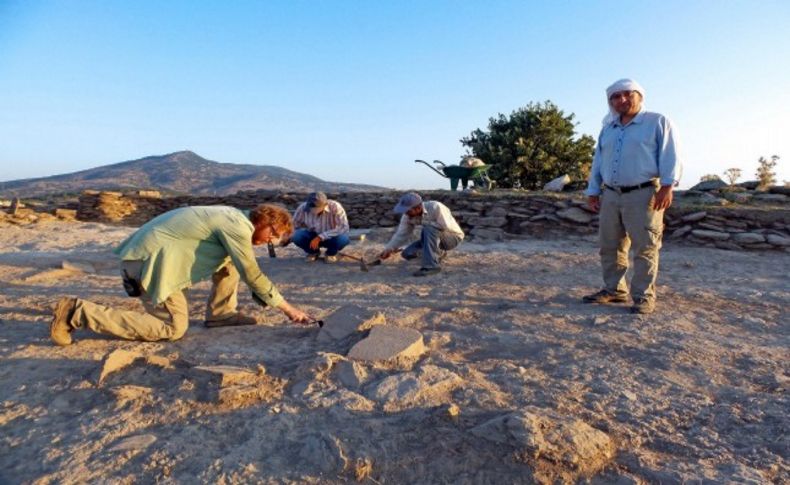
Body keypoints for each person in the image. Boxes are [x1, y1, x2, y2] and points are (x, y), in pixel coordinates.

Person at [49, 204, 314, 346]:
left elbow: (238, 265)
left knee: (230, 261)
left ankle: (221, 314)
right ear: (265, 224)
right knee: (173, 329)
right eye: (273, 236)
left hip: (149, 258)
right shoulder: (236, 226)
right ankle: (76, 312)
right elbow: (252, 274)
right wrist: (289, 309)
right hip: (148, 266)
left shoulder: (232, 217)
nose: (271, 242)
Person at [583, 78, 682, 314]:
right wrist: (593, 190)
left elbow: (671, 154)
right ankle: (614, 290)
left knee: (645, 247)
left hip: (644, 194)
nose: (622, 100)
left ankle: (643, 297)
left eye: (627, 94)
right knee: (610, 245)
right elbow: (599, 161)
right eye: (615, 97)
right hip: (610, 195)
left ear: (639, 95)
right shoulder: (608, 128)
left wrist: (668, 186)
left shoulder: (657, 122)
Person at [378, 192, 464, 277]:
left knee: (428, 229)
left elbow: (445, 227)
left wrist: (427, 223)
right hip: (433, 238)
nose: (406, 213)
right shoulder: (407, 216)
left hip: (452, 237)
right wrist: (389, 249)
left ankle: (432, 267)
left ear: (418, 208)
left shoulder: (436, 207)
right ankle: (439, 254)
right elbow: (401, 234)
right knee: (407, 253)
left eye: (408, 211)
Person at [289, 192, 350, 263]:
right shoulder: (303, 208)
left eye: (315, 207)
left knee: (343, 239)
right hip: (312, 237)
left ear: (324, 205)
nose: (312, 210)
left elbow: (343, 227)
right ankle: (313, 252)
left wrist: (320, 237)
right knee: (296, 236)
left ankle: (330, 254)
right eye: (310, 207)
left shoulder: (335, 207)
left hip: (332, 237)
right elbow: (293, 225)